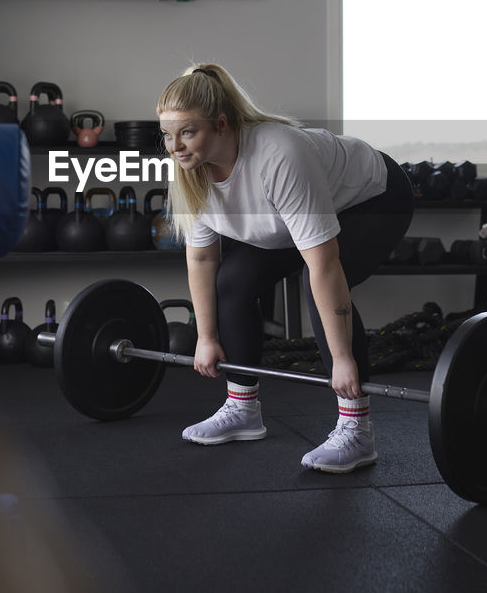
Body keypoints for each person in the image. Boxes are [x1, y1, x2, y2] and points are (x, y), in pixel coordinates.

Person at [156, 63, 414, 473]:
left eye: (187, 132)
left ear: (221, 124)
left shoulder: (277, 155)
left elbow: (325, 265)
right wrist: (206, 337)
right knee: (235, 280)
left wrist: (343, 359)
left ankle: (356, 430)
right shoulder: (192, 175)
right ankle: (242, 409)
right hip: (289, 218)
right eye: (167, 135)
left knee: (320, 288)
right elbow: (203, 258)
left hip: (373, 200)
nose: (175, 146)